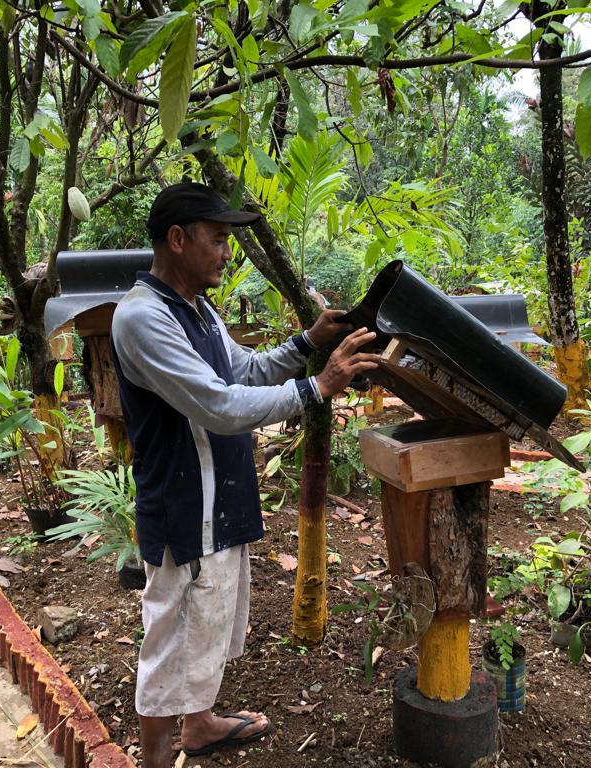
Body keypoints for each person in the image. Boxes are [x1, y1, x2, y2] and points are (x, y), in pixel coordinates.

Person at [110, 181, 380, 767]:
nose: (227, 253)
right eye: (218, 239)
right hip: (185, 510)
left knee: (204, 627)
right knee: (171, 642)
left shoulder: (197, 309)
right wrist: (317, 386)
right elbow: (219, 406)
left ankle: (200, 725)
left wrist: (307, 342)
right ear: (178, 240)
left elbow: (245, 371)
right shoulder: (142, 318)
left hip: (219, 501)